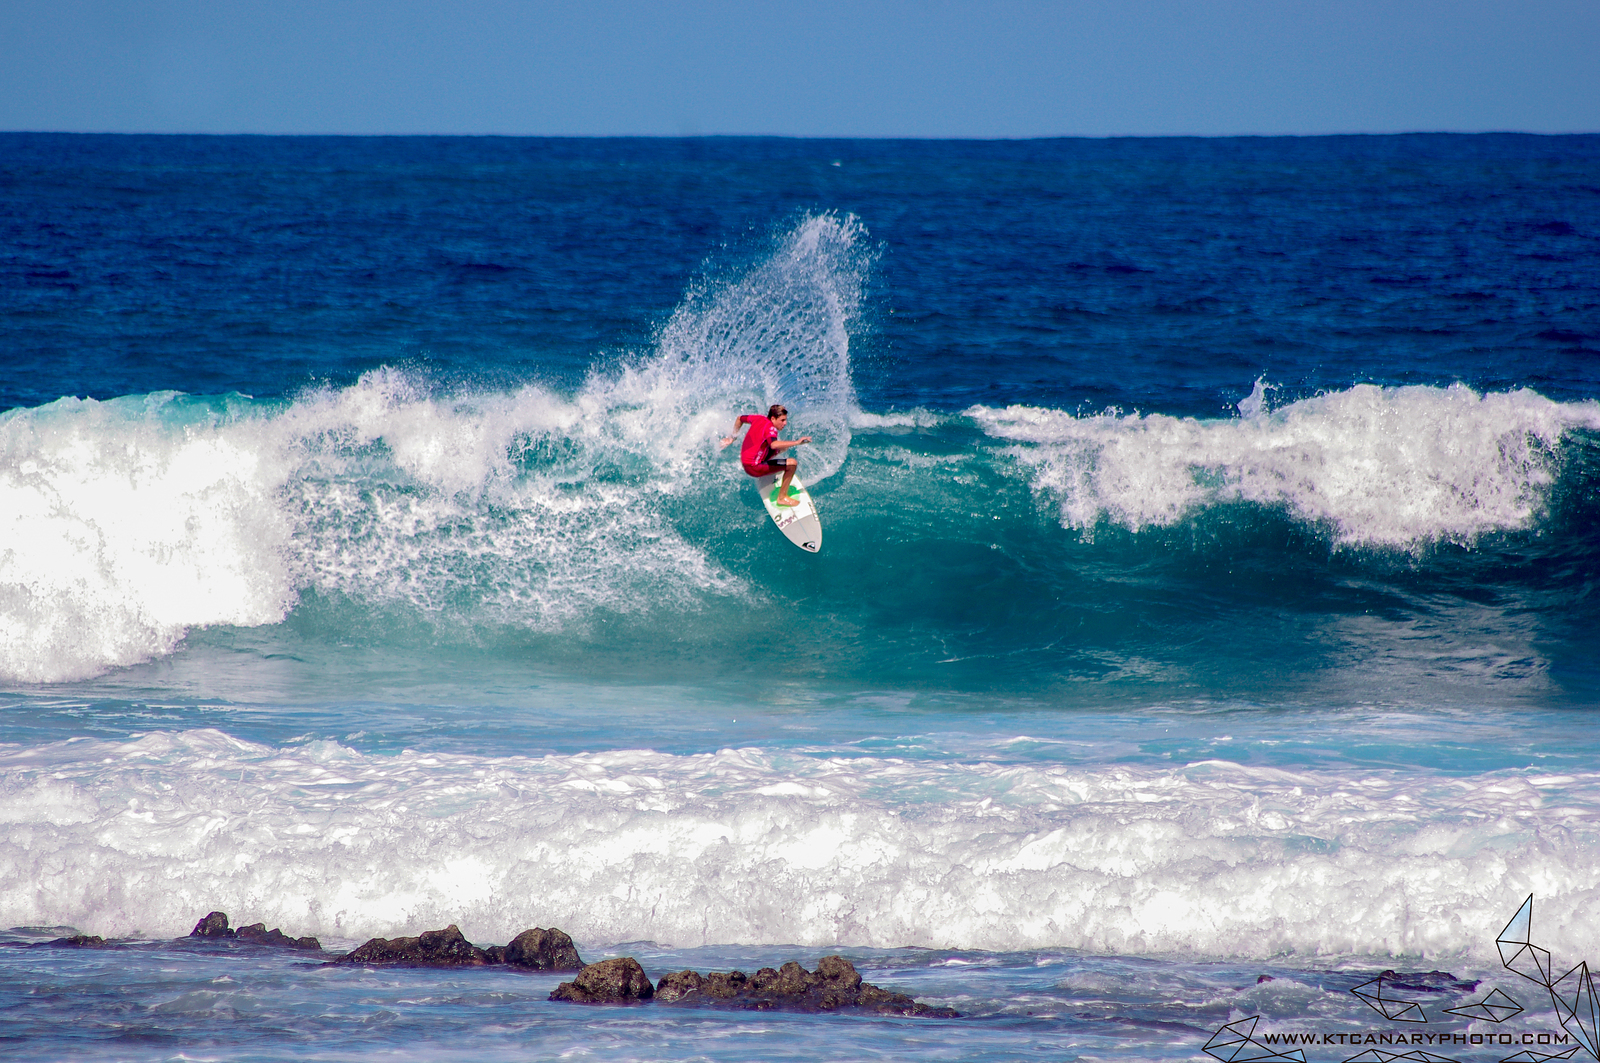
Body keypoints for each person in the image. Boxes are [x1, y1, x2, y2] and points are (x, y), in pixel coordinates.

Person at [721, 404, 811, 506]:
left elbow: (739, 419)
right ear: (773, 418)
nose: (785, 423)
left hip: (746, 459)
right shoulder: (771, 429)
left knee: (783, 447)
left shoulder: (759, 418)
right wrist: (797, 442)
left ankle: (767, 466)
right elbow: (773, 445)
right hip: (753, 467)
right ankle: (782, 498)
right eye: (782, 420)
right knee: (792, 464)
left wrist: (732, 438)